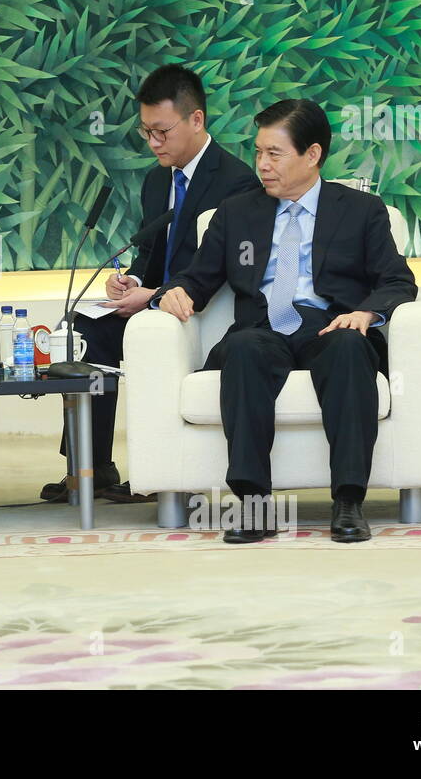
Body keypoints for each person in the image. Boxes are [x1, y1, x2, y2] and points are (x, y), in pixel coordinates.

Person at [156, 99, 418, 543]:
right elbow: (197, 280)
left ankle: (349, 501)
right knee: (241, 349)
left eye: (274, 154)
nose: (262, 165)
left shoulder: (361, 211)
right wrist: (175, 292)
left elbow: (397, 280)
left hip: (330, 325)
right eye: (258, 152)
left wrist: (365, 313)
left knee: (351, 348)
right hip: (262, 329)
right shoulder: (236, 212)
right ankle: (254, 505)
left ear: (312, 154)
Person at [40, 64, 261, 503]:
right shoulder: (157, 179)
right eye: (146, 133)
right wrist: (133, 281)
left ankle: (159, 472)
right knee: (83, 331)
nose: (154, 143)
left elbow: (217, 268)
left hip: (197, 308)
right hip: (153, 300)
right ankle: (90, 466)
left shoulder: (235, 181)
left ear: (196, 120)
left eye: (162, 131)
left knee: (144, 333)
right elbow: (152, 249)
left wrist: (155, 297)